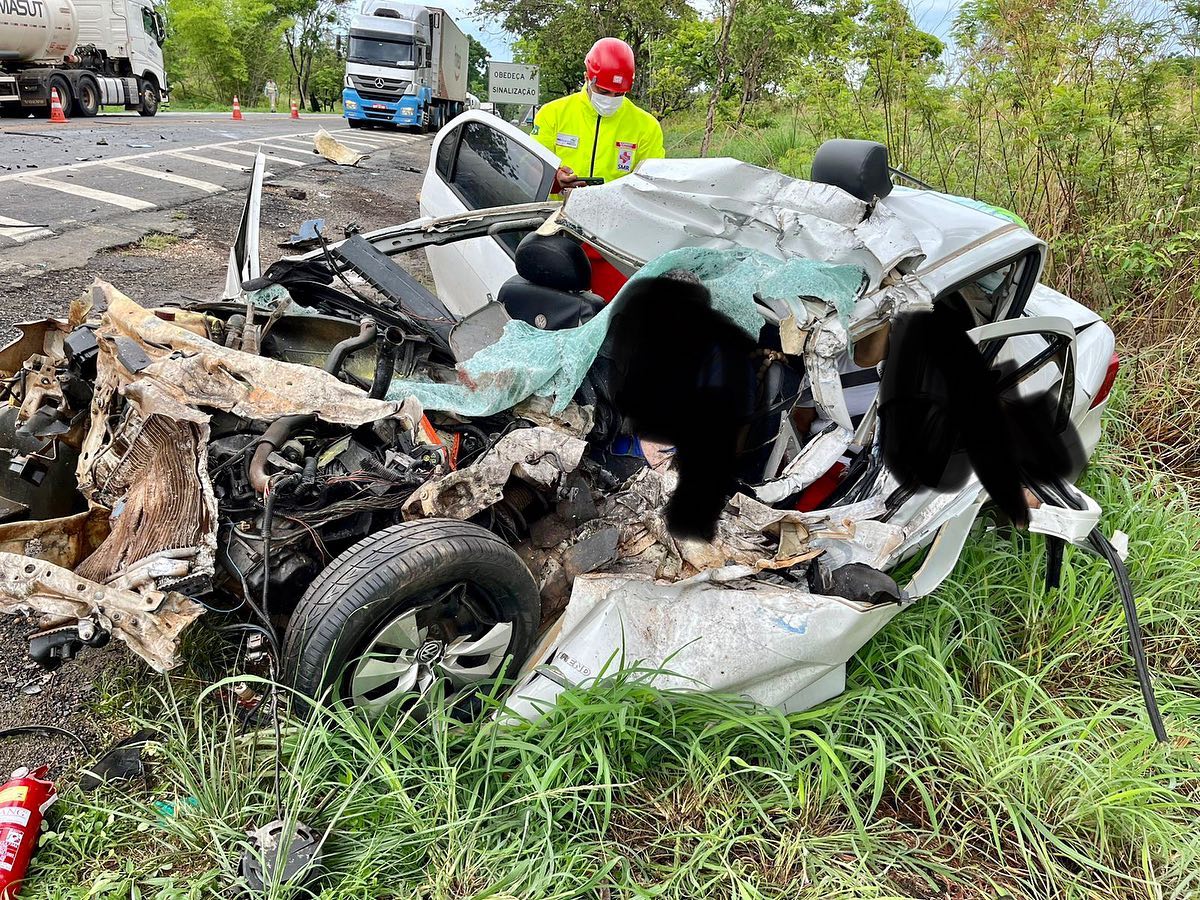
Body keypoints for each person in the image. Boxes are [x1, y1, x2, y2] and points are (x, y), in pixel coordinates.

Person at [531, 38, 664, 196]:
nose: (610, 98)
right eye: (603, 91)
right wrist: (555, 180)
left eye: (619, 93)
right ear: (587, 77)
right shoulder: (552, 114)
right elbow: (531, 166)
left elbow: (652, 182)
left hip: (618, 216)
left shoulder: (647, 126)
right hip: (559, 214)